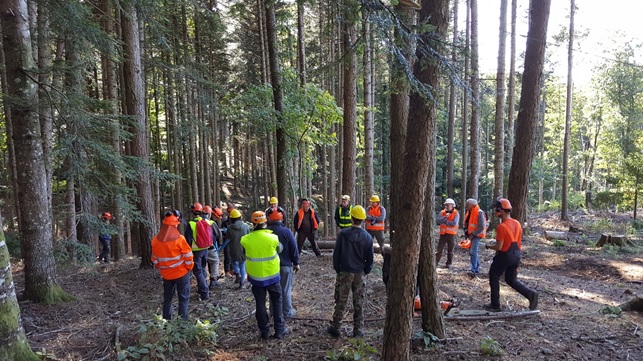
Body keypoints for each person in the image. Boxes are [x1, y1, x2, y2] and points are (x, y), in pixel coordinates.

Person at [484, 198, 539, 312]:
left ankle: (495, 305)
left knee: (494, 275)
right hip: (516, 255)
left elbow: (499, 247)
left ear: (501, 210)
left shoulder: (501, 227)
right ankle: (530, 294)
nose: (495, 212)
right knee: (511, 279)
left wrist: (488, 246)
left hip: (504, 256)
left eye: (497, 210)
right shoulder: (517, 223)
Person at [327, 205, 374, 338]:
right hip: (359, 273)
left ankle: (336, 327)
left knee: (341, 300)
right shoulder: (368, 238)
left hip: (345, 271)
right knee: (358, 302)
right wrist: (365, 271)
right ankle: (358, 330)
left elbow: (337, 254)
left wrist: (338, 269)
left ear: (351, 218)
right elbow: (370, 259)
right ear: (363, 220)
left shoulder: (343, 234)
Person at [241, 211, 288, 340]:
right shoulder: (273, 238)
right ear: (265, 222)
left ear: (252, 223)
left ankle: (264, 331)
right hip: (272, 276)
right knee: (277, 302)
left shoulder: (245, 240)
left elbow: (245, 251)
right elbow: (280, 249)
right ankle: (279, 330)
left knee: (260, 304)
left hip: (255, 278)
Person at [151, 210, 194, 320]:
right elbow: (189, 257)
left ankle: (166, 322)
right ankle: (183, 325)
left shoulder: (155, 240)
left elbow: (154, 259)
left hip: (166, 275)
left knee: (167, 299)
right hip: (181, 273)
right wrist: (189, 268)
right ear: (175, 224)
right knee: (183, 299)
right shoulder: (180, 240)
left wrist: (162, 268)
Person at [267, 211, 300, 318]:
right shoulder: (286, 232)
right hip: (285, 265)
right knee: (285, 289)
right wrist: (296, 262)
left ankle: (273, 312)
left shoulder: (267, 232)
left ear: (270, 219)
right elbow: (294, 248)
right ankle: (287, 312)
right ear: (281, 219)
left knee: (273, 290)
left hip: (270, 267)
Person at [185, 202, 212, 301]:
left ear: (192, 212)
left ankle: (204, 292)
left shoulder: (191, 224)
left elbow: (187, 240)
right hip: (205, 249)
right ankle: (203, 289)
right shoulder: (207, 222)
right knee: (203, 269)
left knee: (198, 271)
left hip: (196, 251)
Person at [226, 208, 250, 288]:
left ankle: (237, 273)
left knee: (234, 262)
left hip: (233, 249)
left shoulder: (229, 228)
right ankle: (242, 283)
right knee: (242, 264)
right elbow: (248, 236)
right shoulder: (246, 226)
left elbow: (227, 237)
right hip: (243, 249)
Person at [463, 198, 487, 277]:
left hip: (476, 235)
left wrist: (473, 234)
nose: (466, 206)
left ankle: (472, 269)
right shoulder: (469, 212)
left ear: (473, 205)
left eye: (468, 204)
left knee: (473, 251)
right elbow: (467, 224)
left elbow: (481, 226)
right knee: (472, 251)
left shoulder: (479, 212)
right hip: (470, 235)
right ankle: (476, 268)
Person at [436, 198, 460, 268]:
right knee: (439, 249)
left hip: (451, 234)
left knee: (450, 250)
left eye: (448, 205)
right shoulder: (442, 212)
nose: (446, 206)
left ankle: (449, 263)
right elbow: (438, 221)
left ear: (452, 205)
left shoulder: (456, 213)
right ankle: (436, 262)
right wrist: (445, 218)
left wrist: (444, 221)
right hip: (443, 234)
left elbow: (454, 223)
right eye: (445, 205)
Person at [204, 205, 224, 289]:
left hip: (199, 248)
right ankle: (214, 281)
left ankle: (203, 283)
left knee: (203, 265)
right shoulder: (211, 223)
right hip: (210, 246)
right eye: (217, 216)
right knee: (215, 262)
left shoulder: (197, 222)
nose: (217, 218)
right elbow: (218, 234)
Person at [220, 203, 236, 277]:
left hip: (234, 240)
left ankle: (233, 269)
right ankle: (227, 271)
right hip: (227, 241)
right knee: (227, 256)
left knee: (234, 255)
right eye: (229, 211)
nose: (230, 213)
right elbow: (221, 232)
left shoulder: (236, 222)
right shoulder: (225, 222)